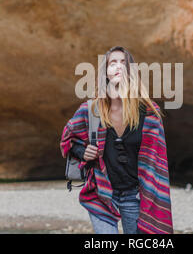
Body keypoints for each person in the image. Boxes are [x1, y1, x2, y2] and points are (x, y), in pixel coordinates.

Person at [60, 46, 173, 234]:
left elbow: (156, 161)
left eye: (124, 63)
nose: (118, 66)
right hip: (100, 192)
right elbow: (68, 138)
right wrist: (82, 151)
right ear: (105, 71)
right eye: (113, 63)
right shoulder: (91, 109)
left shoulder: (149, 113)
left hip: (134, 195)